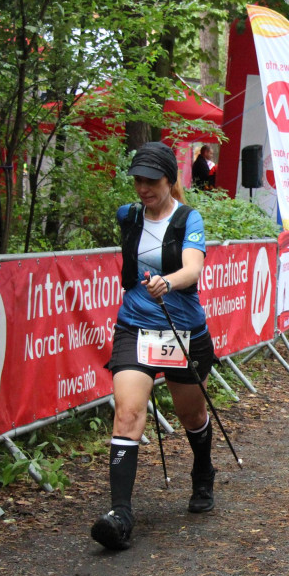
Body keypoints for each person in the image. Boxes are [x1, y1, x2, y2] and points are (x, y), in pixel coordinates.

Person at [92, 141, 218, 551]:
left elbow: (193, 267)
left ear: (169, 180)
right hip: (135, 326)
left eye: (152, 181)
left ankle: (203, 471)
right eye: (138, 181)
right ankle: (120, 514)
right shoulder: (128, 217)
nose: (143, 188)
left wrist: (170, 280)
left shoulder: (187, 218)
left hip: (181, 330)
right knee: (127, 413)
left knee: (191, 414)